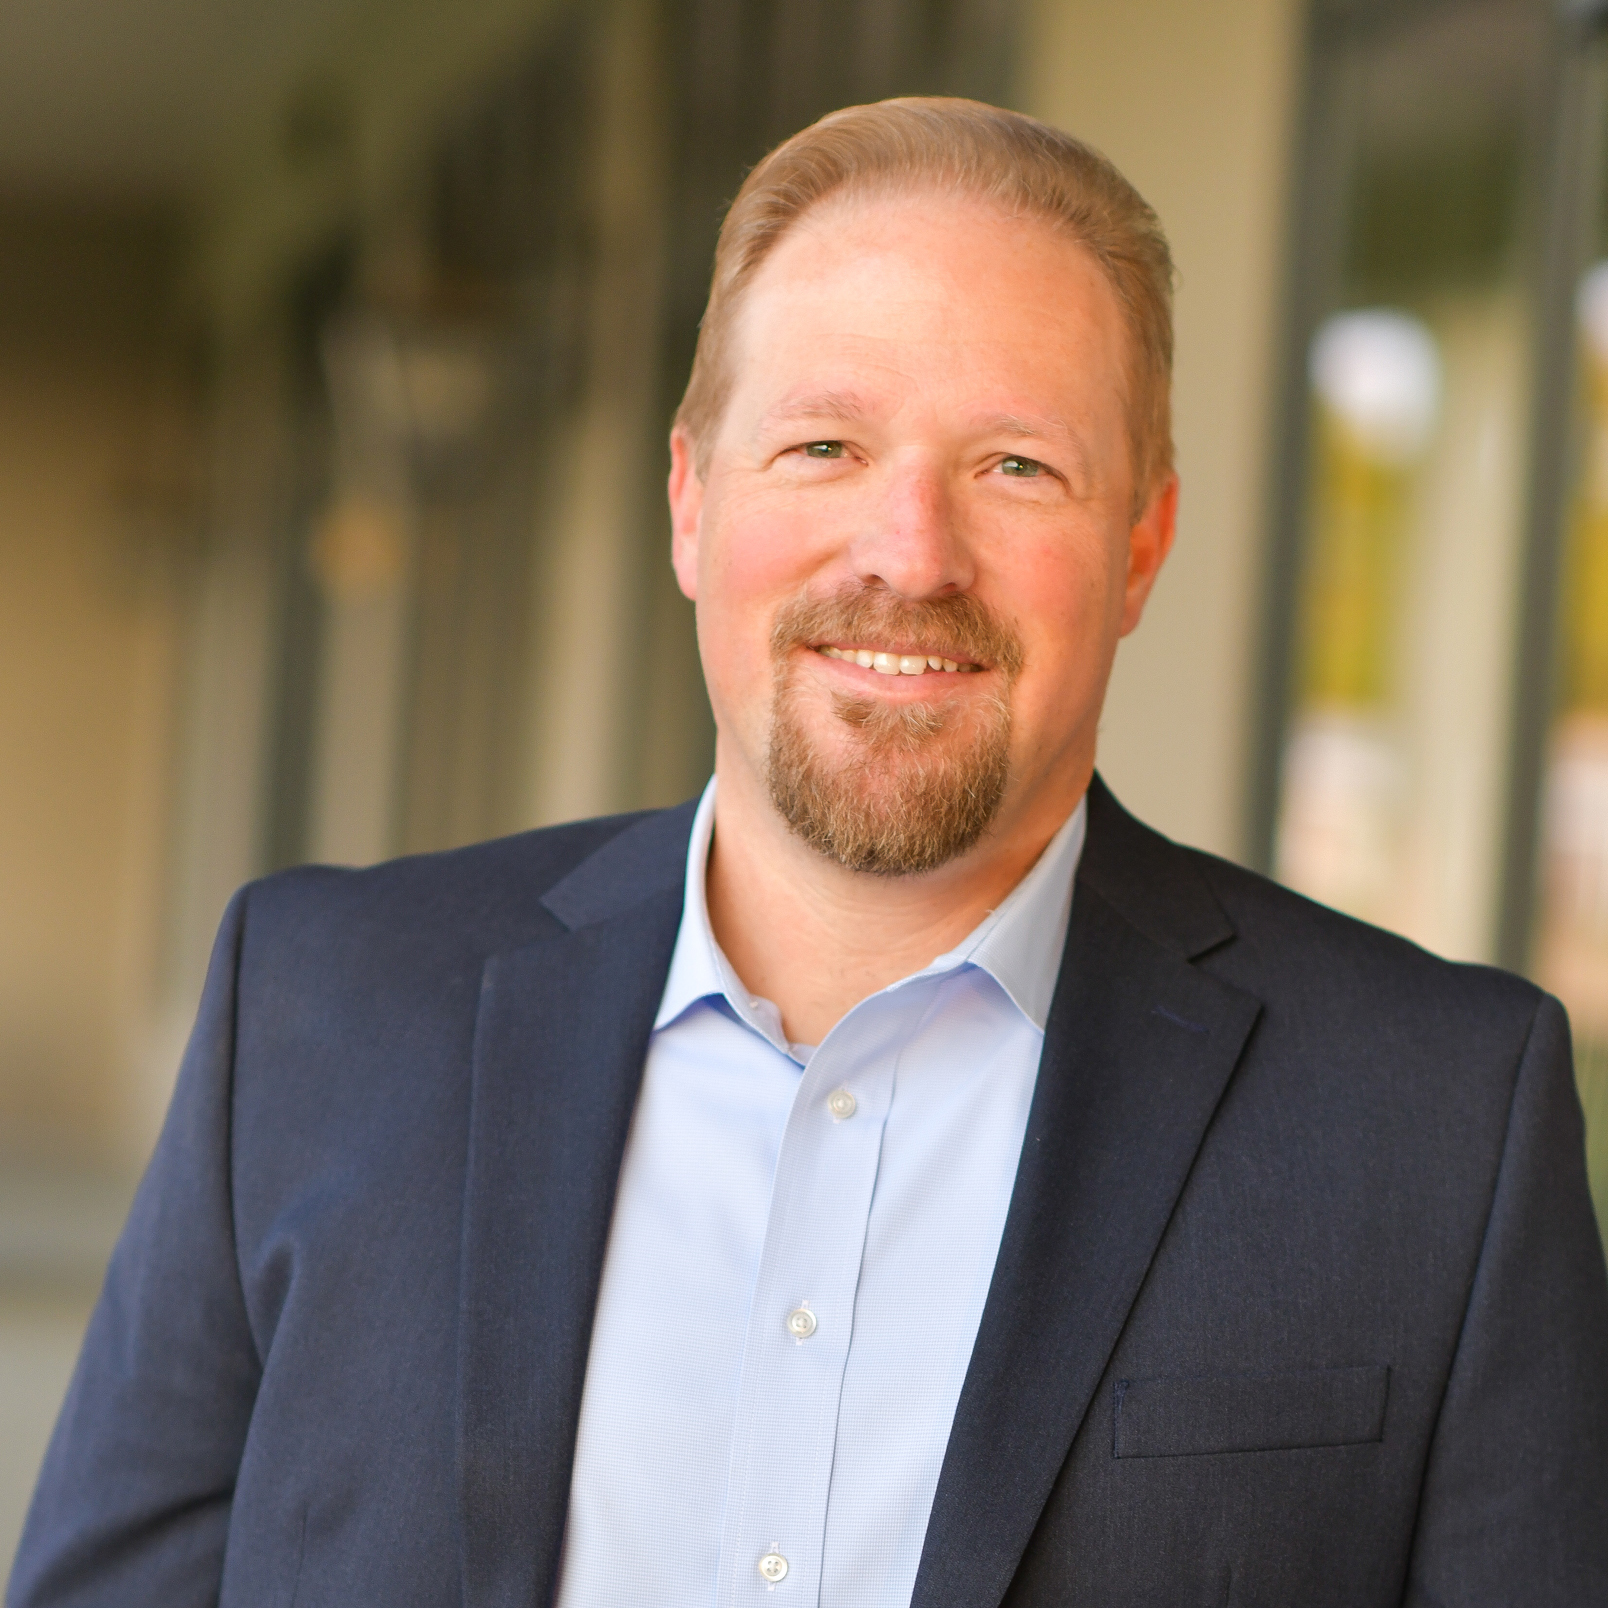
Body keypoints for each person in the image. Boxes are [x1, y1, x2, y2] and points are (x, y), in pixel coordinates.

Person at [9, 97, 1607, 1608]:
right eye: (824, 448)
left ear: (1141, 547)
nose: (909, 554)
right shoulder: (316, 1014)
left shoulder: (1438, 1124)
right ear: (693, 503)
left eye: (1016, 467)